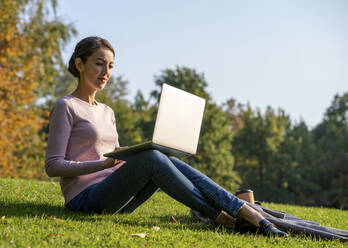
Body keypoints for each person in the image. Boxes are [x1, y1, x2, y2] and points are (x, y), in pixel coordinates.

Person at [45, 36, 287, 237]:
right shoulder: (67, 106)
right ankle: (239, 213)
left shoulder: (107, 111)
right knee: (152, 158)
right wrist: (103, 163)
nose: (106, 72)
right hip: (84, 200)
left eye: (110, 66)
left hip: (115, 199)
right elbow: (53, 166)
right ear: (79, 64)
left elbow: (112, 160)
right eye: (99, 64)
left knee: (157, 154)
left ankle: (235, 212)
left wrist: (126, 157)